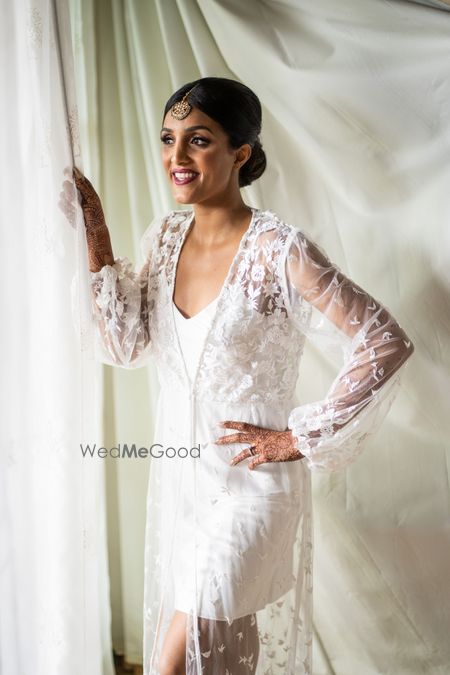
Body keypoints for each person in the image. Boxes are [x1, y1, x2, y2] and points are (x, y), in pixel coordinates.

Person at [62, 77, 415, 675]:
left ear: (240, 153)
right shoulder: (166, 237)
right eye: (169, 139)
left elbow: (385, 340)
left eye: (198, 140)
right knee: (225, 649)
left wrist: (297, 439)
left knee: (170, 663)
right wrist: (94, 226)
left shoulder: (279, 248)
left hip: (252, 494)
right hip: (184, 484)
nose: (177, 157)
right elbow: (126, 344)